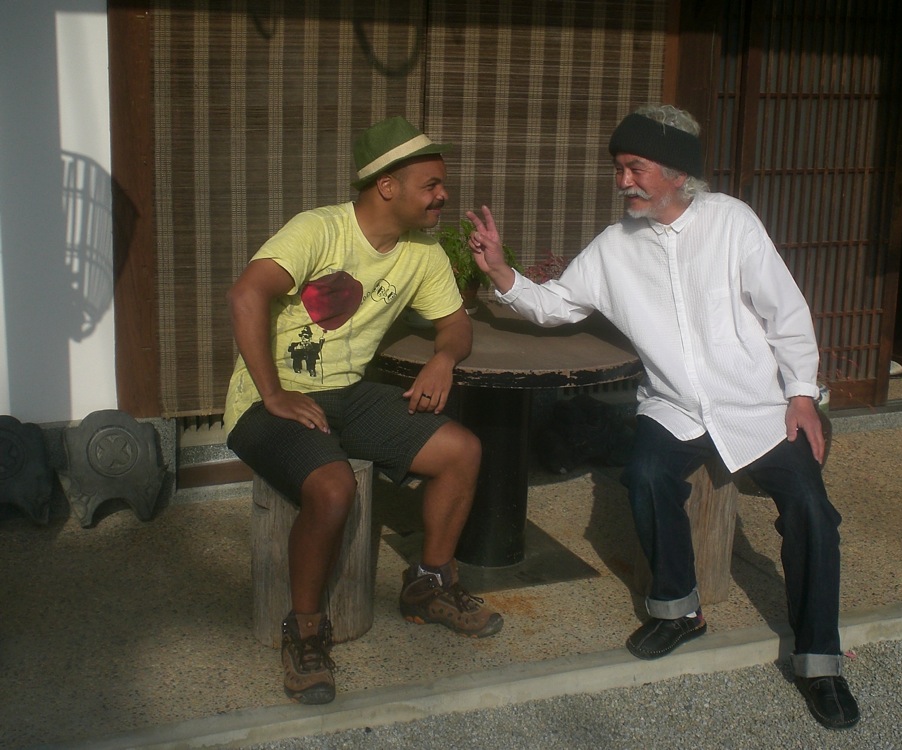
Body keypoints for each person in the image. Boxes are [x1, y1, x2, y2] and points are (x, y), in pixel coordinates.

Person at [465, 104, 859, 730]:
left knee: (811, 510)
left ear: (677, 172)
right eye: (620, 169)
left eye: (635, 167)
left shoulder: (732, 223)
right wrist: (502, 274)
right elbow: (559, 304)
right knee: (646, 476)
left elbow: (786, 312)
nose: (623, 181)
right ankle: (678, 611)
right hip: (673, 406)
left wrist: (802, 394)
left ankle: (820, 661)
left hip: (753, 405)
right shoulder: (614, 246)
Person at [224, 116, 503, 706]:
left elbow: (454, 324)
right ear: (386, 187)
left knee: (462, 451)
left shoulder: (423, 253)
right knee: (332, 489)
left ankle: (429, 583)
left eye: (440, 185)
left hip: (348, 392)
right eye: (430, 185)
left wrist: (444, 360)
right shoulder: (318, 230)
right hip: (265, 403)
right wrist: (273, 392)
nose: (442, 196)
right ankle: (303, 632)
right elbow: (246, 293)